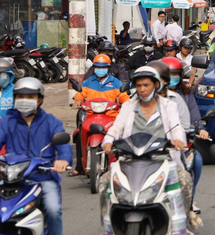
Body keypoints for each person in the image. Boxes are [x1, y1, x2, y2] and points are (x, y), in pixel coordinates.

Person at [100, 66, 200, 229]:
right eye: (139, 86)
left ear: (156, 85)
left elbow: (176, 127)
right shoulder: (128, 106)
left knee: (185, 180)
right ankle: (108, 228)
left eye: (146, 85)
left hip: (163, 160)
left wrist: (178, 140)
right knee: (105, 182)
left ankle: (183, 222)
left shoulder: (168, 105)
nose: (142, 89)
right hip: (129, 160)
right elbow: (116, 127)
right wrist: (108, 140)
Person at [0, 78, 72, 234]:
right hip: (10, 180)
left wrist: (63, 160)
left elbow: (63, 145)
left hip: (42, 178)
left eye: (30, 97)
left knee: (53, 210)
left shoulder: (51, 122)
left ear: (39, 100)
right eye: (20, 96)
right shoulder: (6, 122)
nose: (24, 100)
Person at [69, 54, 130, 178]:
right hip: (91, 116)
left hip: (111, 117)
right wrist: (78, 100)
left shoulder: (116, 83)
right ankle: (79, 168)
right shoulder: (88, 82)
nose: (100, 69)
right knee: (79, 134)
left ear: (108, 68)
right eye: (97, 66)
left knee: (123, 135)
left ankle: (123, 165)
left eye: (102, 67)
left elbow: (123, 96)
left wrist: (128, 103)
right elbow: (81, 93)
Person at [162, 57, 207, 211]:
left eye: (175, 75)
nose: (171, 79)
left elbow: (194, 115)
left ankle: (189, 198)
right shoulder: (153, 96)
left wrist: (200, 128)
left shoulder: (186, 94)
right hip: (157, 141)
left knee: (197, 161)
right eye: (168, 75)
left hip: (181, 142)